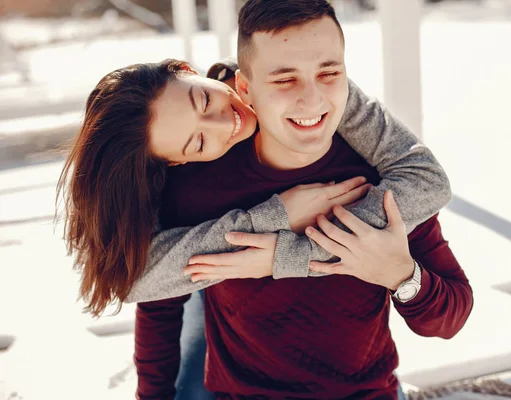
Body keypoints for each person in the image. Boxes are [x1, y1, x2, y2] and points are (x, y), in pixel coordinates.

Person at [122, 1, 473, 399]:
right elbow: (158, 304)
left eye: (329, 73)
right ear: (245, 88)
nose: (312, 101)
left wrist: (401, 275)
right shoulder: (198, 182)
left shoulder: (379, 175)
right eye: (284, 80)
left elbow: (450, 317)